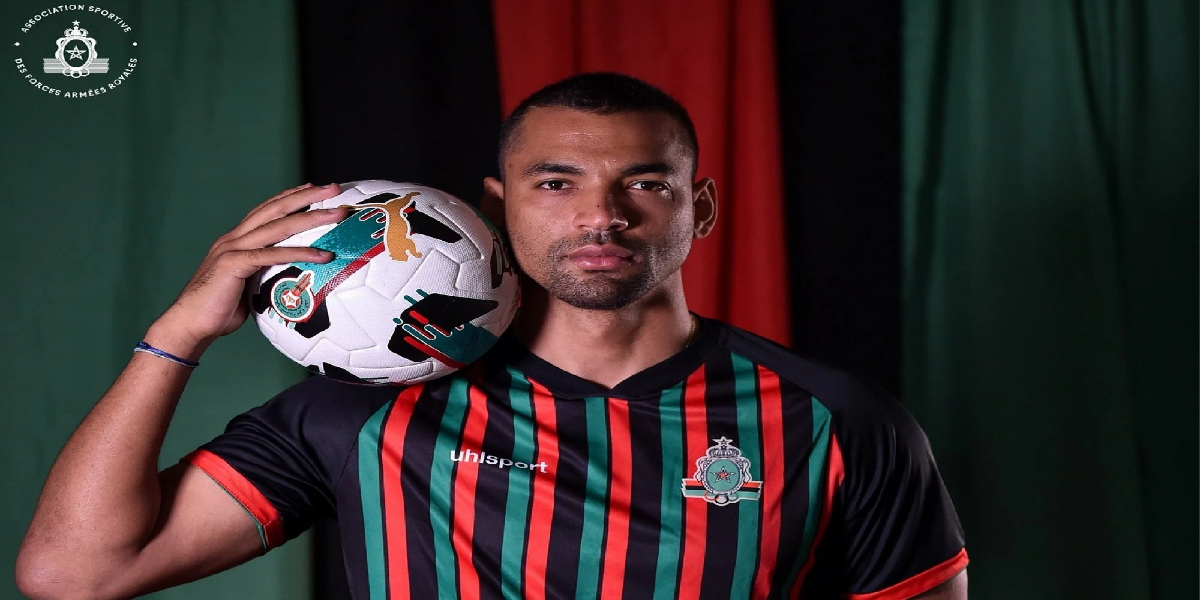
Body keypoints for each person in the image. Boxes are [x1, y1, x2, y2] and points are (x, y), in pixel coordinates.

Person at [16, 73, 968, 600]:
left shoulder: (836, 419)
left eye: (645, 183)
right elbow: (72, 574)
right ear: (496, 206)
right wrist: (177, 333)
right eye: (557, 183)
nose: (602, 215)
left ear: (701, 207)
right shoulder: (359, 410)